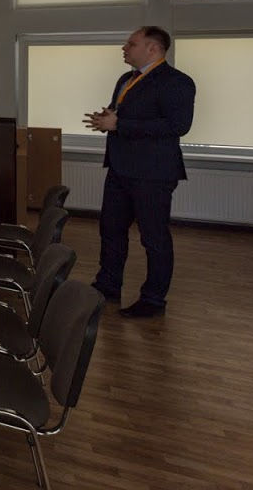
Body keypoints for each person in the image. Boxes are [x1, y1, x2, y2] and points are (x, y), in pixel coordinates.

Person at [86, 26, 196, 318]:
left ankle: (153, 299)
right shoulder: (126, 79)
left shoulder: (177, 82)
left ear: (152, 48)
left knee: (154, 238)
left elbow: (178, 126)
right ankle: (107, 286)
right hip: (119, 168)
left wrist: (120, 125)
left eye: (131, 43)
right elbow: (121, 115)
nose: (124, 48)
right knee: (110, 230)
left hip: (153, 173)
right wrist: (107, 120)